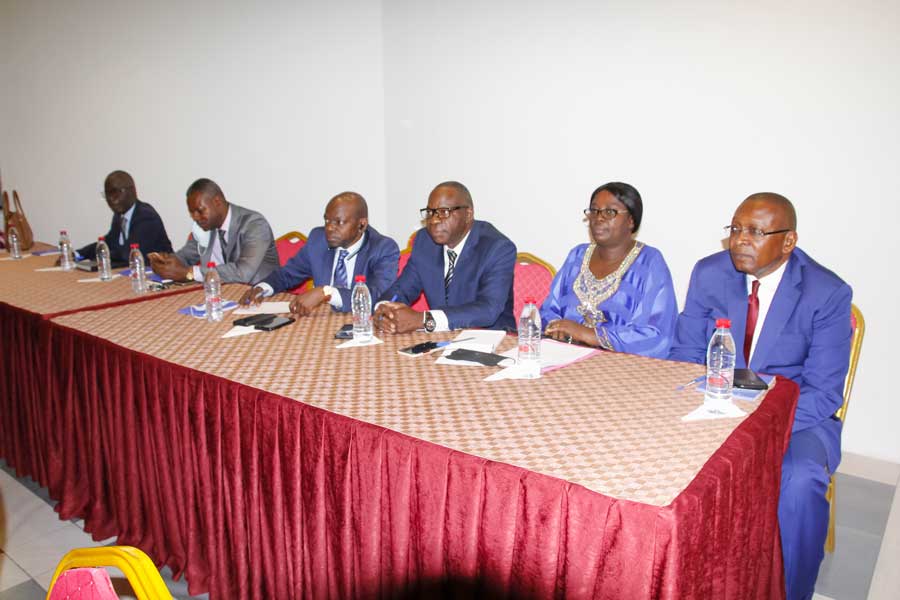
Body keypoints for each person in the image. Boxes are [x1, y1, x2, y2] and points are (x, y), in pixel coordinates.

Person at [669, 192, 852, 600]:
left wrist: (753, 427)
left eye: (754, 231)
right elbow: (683, 356)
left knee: (800, 480)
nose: (739, 240)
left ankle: (792, 590)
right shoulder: (709, 273)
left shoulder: (827, 292)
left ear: (788, 241)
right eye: (735, 229)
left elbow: (824, 393)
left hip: (796, 418)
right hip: (713, 404)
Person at [540, 182, 677, 358]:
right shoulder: (577, 256)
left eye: (610, 212)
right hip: (564, 357)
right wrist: (557, 327)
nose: (599, 218)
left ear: (631, 220)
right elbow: (548, 309)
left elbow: (656, 335)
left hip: (620, 365)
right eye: (594, 210)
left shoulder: (649, 262)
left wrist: (590, 335)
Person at [375, 181, 516, 333]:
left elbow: (488, 309)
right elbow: (401, 290)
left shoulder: (497, 248)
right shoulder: (425, 241)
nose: (434, 220)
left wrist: (423, 320)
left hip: (490, 338)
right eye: (430, 212)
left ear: (468, 214)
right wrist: (384, 310)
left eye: (444, 212)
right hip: (440, 338)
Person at [239, 192, 400, 317]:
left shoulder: (383, 248)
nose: (329, 228)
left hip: (362, 327)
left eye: (339, 222)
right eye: (327, 221)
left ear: (362, 225)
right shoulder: (318, 240)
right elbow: (288, 274)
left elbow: (378, 296)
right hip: (321, 324)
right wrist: (262, 287)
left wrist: (327, 293)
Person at [149, 178, 278, 285]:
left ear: (217, 202)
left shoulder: (254, 224)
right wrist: (166, 262)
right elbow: (186, 257)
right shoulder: (205, 226)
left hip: (258, 295)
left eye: (200, 211)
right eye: (192, 213)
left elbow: (243, 272)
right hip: (221, 294)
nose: (195, 217)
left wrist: (191, 273)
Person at [75, 170, 173, 263]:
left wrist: (101, 256)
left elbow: (129, 254)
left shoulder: (146, 216)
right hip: (132, 270)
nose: (111, 199)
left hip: (157, 272)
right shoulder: (119, 216)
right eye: (107, 194)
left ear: (133, 191)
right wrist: (77, 254)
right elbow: (108, 242)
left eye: (116, 192)